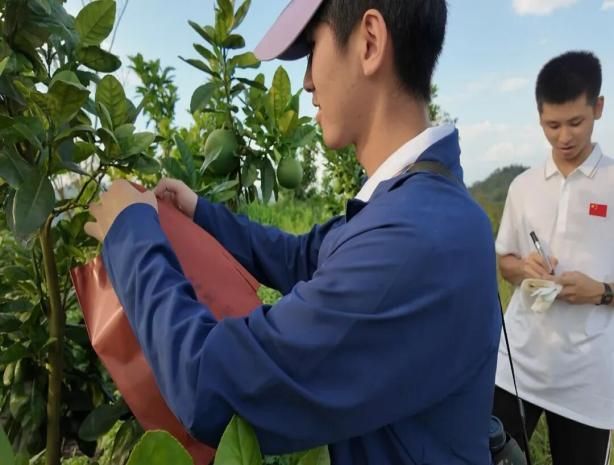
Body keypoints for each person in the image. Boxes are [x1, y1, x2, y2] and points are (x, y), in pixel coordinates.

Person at [84, 0, 501, 463]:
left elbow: (213, 385)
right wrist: (201, 212)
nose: (306, 82)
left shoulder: (415, 240)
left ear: (369, 42)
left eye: (312, 47)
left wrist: (130, 233)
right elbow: (303, 257)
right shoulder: (415, 206)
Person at [493, 50, 614, 465]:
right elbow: (505, 261)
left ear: (598, 107)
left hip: (588, 384)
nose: (564, 137)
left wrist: (601, 292)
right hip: (516, 367)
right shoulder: (523, 186)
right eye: (552, 125)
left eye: (575, 123)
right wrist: (522, 268)